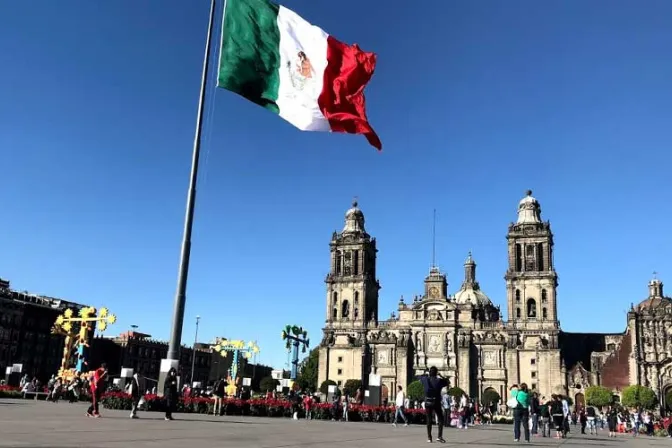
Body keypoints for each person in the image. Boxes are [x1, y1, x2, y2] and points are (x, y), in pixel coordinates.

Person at [420, 367, 448, 443]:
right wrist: (441, 376)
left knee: (428, 419)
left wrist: (425, 374)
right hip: (436, 402)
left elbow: (420, 377)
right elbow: (447, 382)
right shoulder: (439, 381)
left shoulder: (425, 380)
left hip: (427, 402)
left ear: (429, 372)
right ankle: (439, 436)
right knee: (440, 418)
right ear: (436, 373)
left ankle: (429, 437)